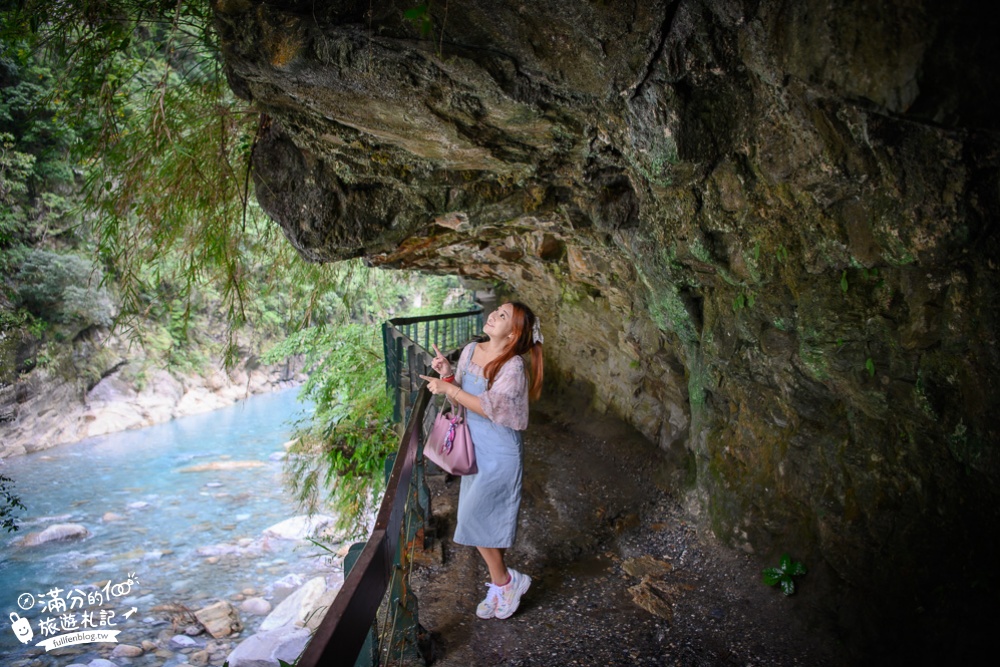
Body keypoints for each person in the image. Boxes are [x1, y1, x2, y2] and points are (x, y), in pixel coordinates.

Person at [419, 301, 544, 620]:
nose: (493, 315)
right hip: (473, 445)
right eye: (497, 310)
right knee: (484, 518)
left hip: (500, 450)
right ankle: (501, 584)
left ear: (514, 333)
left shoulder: (513, 365)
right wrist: (447, 375)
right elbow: (457, 393)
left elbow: (491, 408)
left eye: (502, 316)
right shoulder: (473, 349)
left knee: (473, 516)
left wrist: (448, 389)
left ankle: (505, 581)